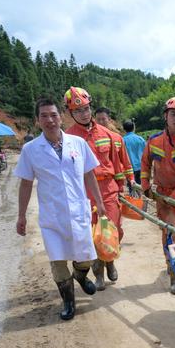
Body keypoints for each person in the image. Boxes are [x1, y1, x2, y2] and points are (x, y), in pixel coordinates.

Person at [14, 97, 105, 321]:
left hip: (78, 211)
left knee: (84, 257)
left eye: (53, 115)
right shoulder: (31, 149)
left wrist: (100, 203)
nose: (50, 120)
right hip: (52, 216)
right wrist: (21, 215)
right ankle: (68, 302)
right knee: (57, 261)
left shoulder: (78, 144)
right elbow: (25, 183)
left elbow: (89, 174)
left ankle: (81, 276)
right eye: (44, 116)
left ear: (61, 117)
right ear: (37, 121)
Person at [65, 87, 134, 291]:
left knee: (113, 232)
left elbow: (117, 164)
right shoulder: (68, 138)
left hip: (109, 190)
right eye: (78, 111)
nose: (83, 114)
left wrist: (121, 188)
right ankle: (99, 273)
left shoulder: (107, 135)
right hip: (84, 193)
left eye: (86, 109)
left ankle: (110, 261)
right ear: (70, 113)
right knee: (92, 236)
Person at [140, 96, 175, 295]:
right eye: (173, 114)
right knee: (170, 232)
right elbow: (145, 164)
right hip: (163, 198)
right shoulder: (154, 141)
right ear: (165, 116)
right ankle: (174, 273)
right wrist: (146, 186)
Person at [122, 120, 146, 184]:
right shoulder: (140, 139)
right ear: (133, 128)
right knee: (140, 186)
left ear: (124, 129)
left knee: (132, 187)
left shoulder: (123, 140)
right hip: (141, 166)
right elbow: (146, 153)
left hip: (129, 168)